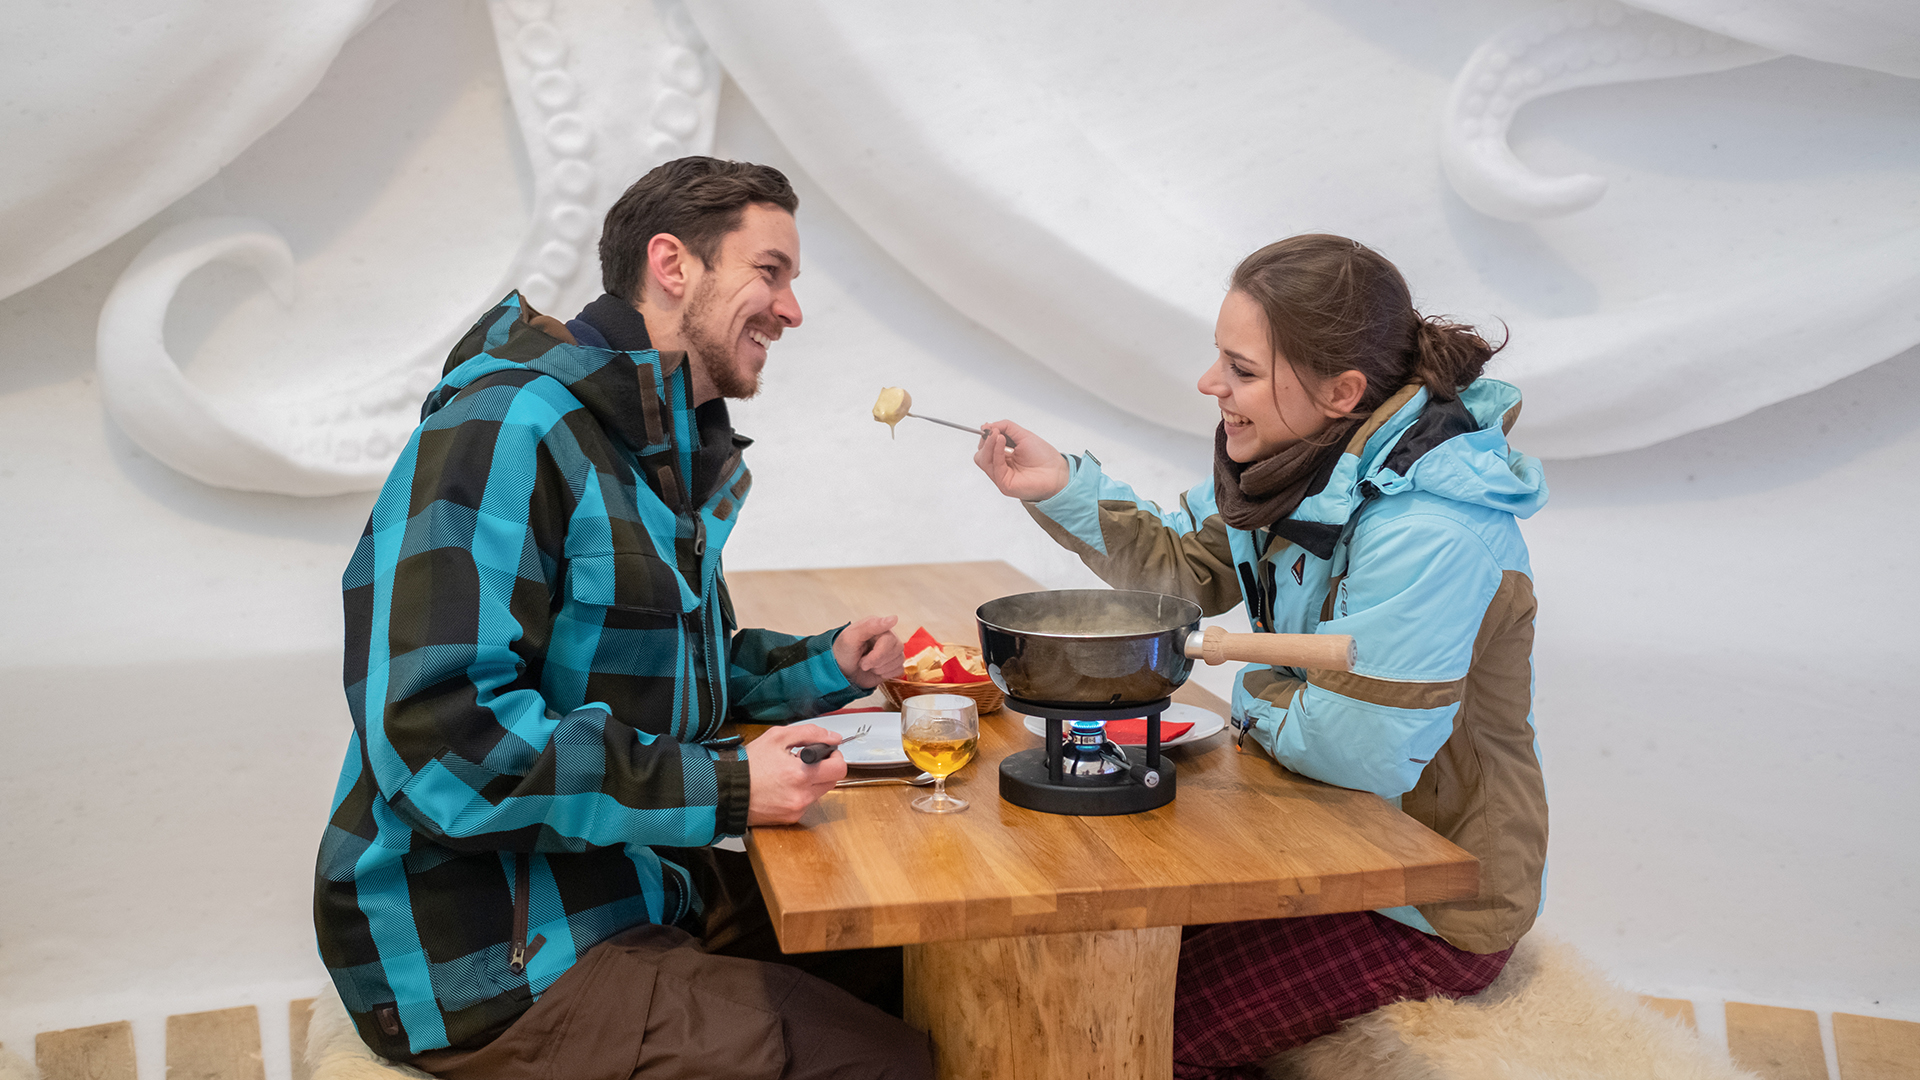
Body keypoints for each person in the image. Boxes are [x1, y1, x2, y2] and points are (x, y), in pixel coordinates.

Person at [315, 157, 931, 1080]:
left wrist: (824, 665)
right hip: (490, 963)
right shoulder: (506, 428)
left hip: (629, 886)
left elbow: (671, 683)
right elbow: (444, 740)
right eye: (772, 272)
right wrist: (724, 791)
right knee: (893, 1063)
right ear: (673, 264)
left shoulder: (651, 454)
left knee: (910, 958)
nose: (792, 309)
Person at [972, 234, 1549, 1079]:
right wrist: (1063, 486)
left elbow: (1360, 748)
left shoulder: (1430, 530)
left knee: (1133, 1041)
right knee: (1069, 968)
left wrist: (1250, 684)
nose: (1212, 386)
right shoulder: (1306, 466)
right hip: (1321, 846)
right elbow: (1185, 569)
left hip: (1422, 897)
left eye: (1239, 370)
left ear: (1341, 391)